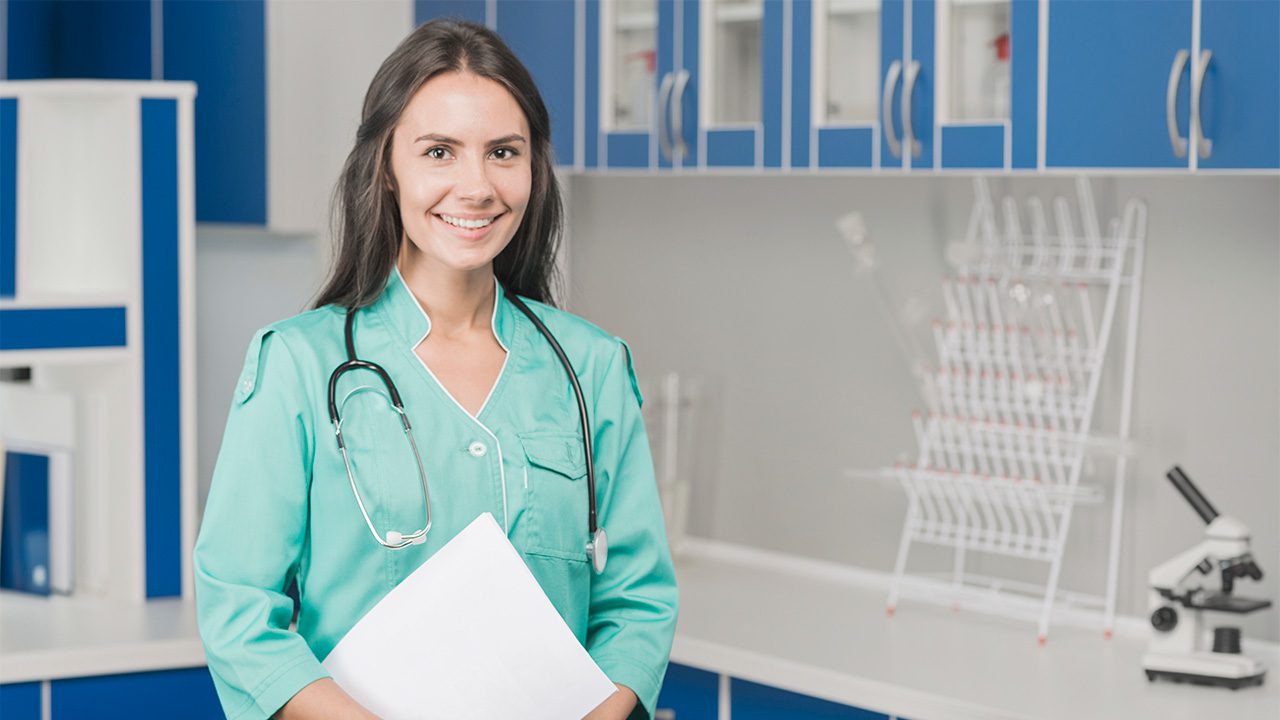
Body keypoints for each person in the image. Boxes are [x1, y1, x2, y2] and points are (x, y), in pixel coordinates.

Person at [194, 19, 678, 720]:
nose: (475, 186)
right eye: (440, 152)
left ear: (534, 169)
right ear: (386, 168)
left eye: (503, 152)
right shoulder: (298, 366)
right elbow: (239, 613)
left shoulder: (593, 367)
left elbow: (637, 602)